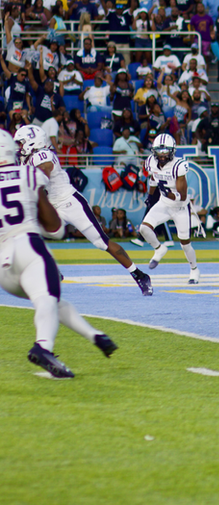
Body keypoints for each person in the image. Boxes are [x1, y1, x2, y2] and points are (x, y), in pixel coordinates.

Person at [0, 130, 117, 378]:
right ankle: (43, 346)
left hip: (3, 267)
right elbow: (55, 229)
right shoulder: (29, 174)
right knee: (47, 297)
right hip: (28, 249)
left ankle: (96, 336)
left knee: (48, 301)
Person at [14, 125, 152, 295]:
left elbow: (43, 175)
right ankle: (51, 269)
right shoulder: (26, 160)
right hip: (50, 205)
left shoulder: (43, 154)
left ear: (33, 142)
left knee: (102, 243)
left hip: (69, 202)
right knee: (25, 234)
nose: (19, 148)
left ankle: (139, 275)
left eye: (21, 143)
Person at [140, 134, 200, 285]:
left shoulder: (178, 166)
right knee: (144, 229)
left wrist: (168, 193)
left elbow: (182, 196)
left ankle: (194, 269)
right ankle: (159, 249)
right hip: (164, 204)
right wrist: (150, 195)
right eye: (159, 151)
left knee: (185, 243)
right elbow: (154, 178)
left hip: (180, 206)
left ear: (172, 151)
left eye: (165, 150)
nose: (162, 154)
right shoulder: (150, 162)